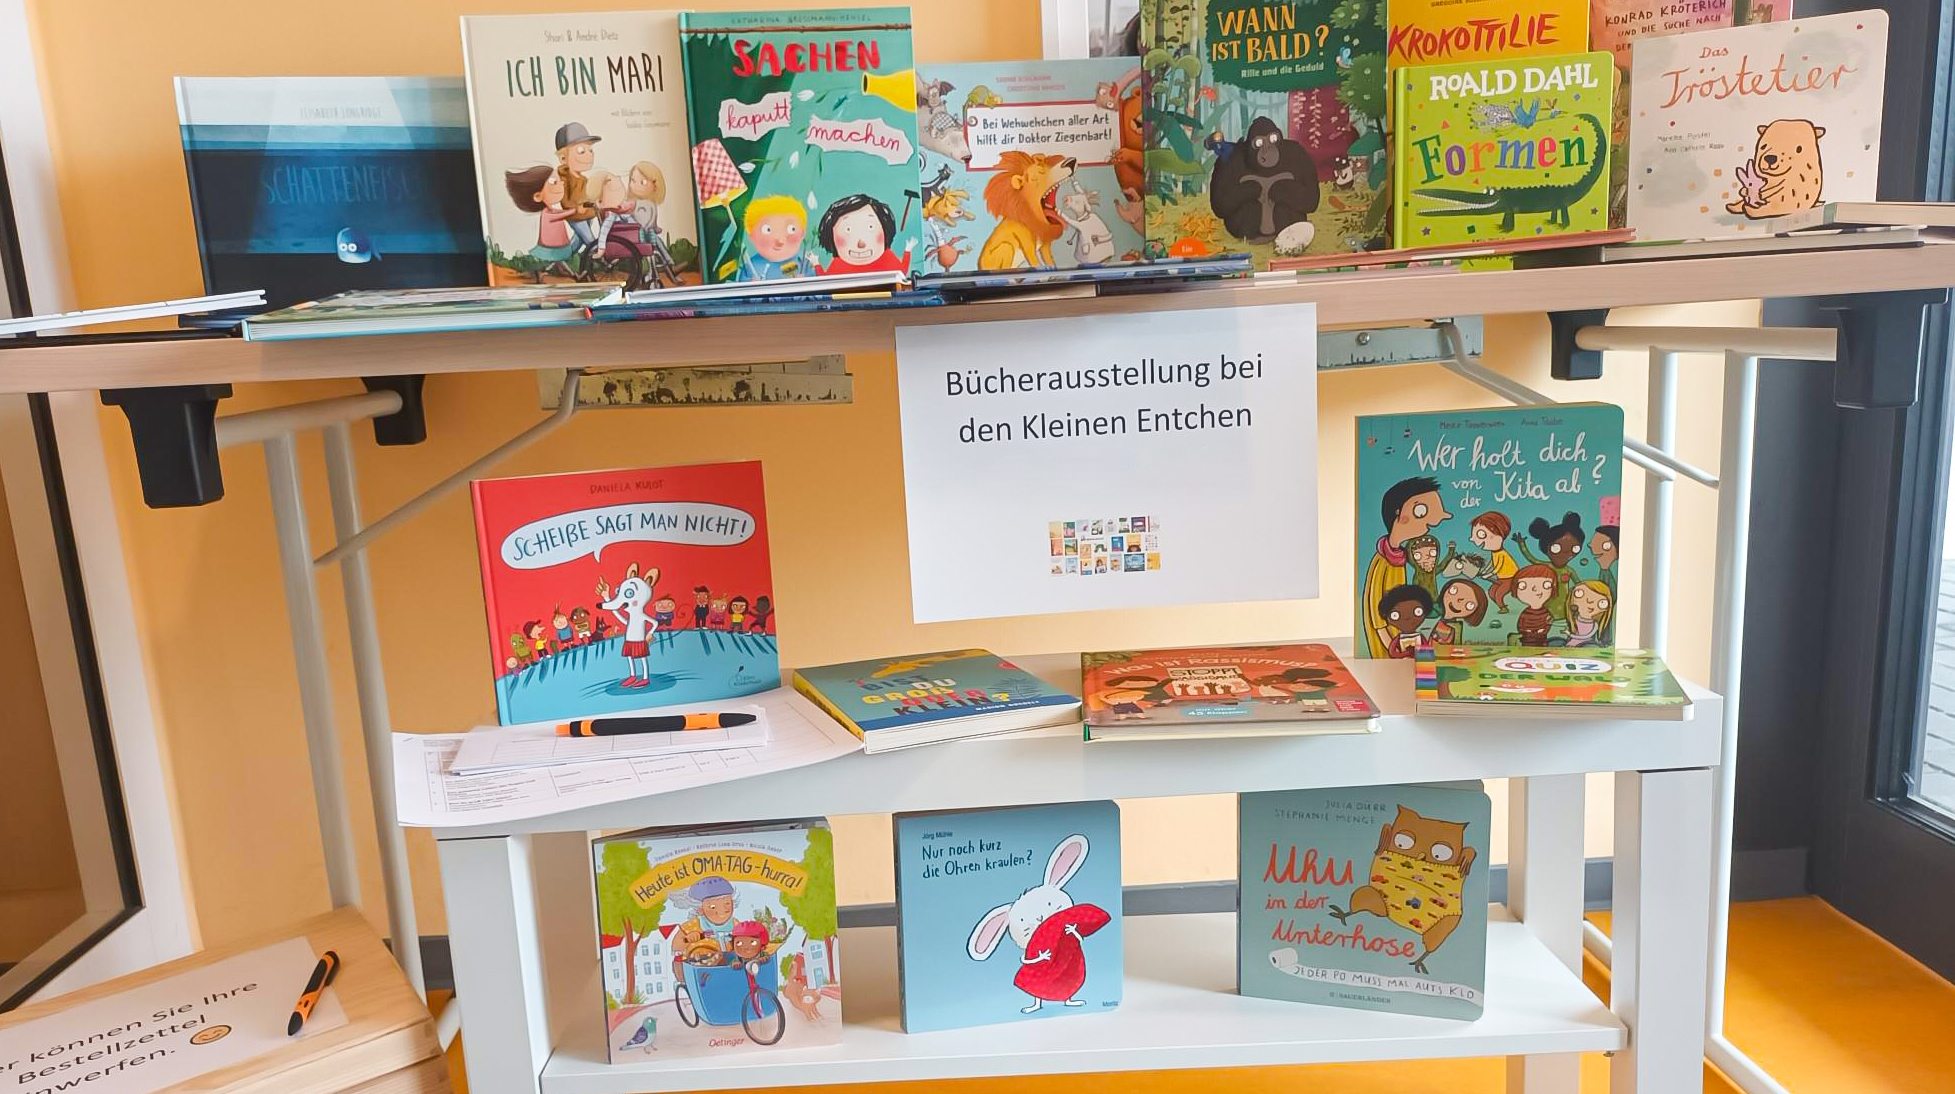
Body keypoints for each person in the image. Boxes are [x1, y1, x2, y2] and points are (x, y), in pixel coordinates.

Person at [1361, 477, 1451, 658]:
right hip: (1388, 652)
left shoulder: (1398, 557)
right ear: (1398, 514)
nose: (1428, 525)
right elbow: (1376, 613)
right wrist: (1390, 646)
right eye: (1420, 511)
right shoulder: (1384, 561)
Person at [503, 166, 580, 279]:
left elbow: (560, 212)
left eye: (559, 180)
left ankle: (561, 271)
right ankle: (571, 275)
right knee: (559, 259)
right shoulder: (546, 213)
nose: (562, 183)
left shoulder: (551, 210)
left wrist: (572, 210)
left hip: (559, 244)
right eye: (554, 182)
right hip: (551, 246)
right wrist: (575, 210)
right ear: (538, 196)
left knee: (559, 260)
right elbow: (560, 215)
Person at [816, 193, 912, 274]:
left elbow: (901, 272)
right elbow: (827, 280)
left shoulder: (888, 258)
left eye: (871, 226)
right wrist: (816, 264)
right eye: (848, 229)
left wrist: (907, 251)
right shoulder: (838, 265)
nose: (861, 244)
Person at [737, 195, 811, 280]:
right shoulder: (751, 266)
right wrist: (751, 283)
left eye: (792, 229)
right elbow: (742, 283)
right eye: (767, 230)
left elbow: (817, 281)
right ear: (752, 236)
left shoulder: (804, 262)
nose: (780, 241)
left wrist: (805, 281)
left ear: (802, 233)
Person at [1430, 578, 1488, 645]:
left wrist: (1439, 639)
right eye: (1453, 590)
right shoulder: (1441, 620)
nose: (1458, 601)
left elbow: (1454, 643)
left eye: (1470, 605)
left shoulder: (1455, 626)